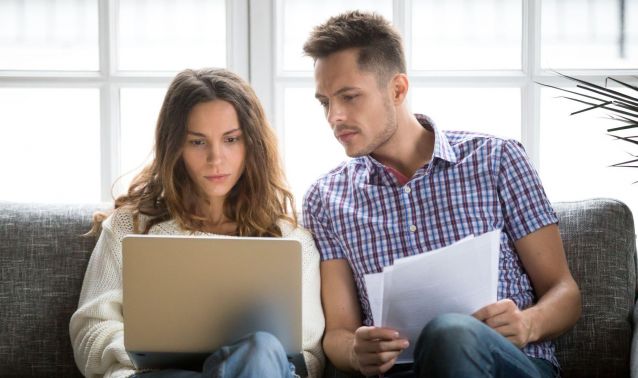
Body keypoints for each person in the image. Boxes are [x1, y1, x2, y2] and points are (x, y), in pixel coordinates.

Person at [301, 11, 581, 378]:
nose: (334, 116)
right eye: (325, 102)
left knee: (452, 334)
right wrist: (355, 351)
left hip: (507, 365)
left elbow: (564, 291)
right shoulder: (326, 199)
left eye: (349, 97)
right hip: (403, 373)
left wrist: (528, 324)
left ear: (398, 89)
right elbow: (339, 331)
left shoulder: (496, 159)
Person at [70, 68, 325, 378]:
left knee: (259, 350)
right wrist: (145, 353)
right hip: (162, 374)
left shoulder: (291, 238)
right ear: (175, 147)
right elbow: (91, 331)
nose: (216, 158)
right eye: (198, 142)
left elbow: (309, 352)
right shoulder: (129, 227)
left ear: (252, 144)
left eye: (231, 139)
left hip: (259, 370)